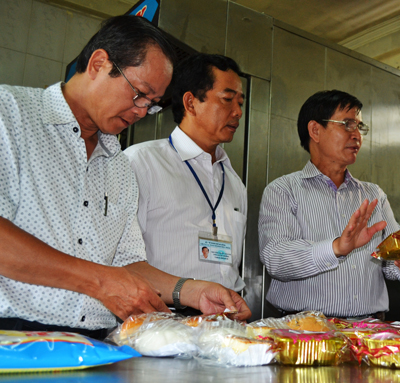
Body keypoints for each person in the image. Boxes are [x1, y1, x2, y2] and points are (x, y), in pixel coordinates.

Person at [0, 16, 250, 340]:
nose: (142, 112)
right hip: (12, 338)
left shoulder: (118, 164)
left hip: (93, 344)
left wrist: (191, 291)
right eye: (139, 94)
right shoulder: (11, 115)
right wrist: (99, 281)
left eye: (152, 105)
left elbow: (129, 263)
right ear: (99, 63)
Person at [258, 90, 400, 320]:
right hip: (305, 333)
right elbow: (276, 260)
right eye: (347, 124)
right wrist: (336, 248)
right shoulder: (283, 190)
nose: (357, 135)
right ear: (315, 130)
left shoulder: (372, 194)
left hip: (368, 332)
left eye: (359, 126)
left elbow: (389, 264)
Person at [125, 53, 247, 293]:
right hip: (161, 320)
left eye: (240, 103)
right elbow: (121, 262)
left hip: (223, 322)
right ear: (191, 102)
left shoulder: (233, 182)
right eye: (227, 99)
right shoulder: (141, 163)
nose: (238, 112)